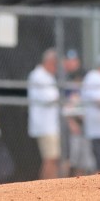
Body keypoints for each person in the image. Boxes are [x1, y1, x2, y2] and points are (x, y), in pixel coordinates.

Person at [27, 48, 63, 179]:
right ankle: (45, 188)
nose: (57, 67)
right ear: (49, 61)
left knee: (53, 158)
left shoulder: (48, 76)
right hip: (44, 125)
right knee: (50, 159)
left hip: (52, 125)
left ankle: (50, 187)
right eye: (56, 64)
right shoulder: (38, 75)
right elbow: (50, 98)